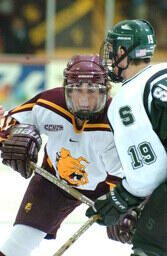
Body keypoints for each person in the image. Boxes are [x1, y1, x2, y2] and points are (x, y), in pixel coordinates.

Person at [0, 54, 135, 256]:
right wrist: (7, 138)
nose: (83, 99)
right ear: (66, 89)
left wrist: (126, 202)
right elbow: (8, 123)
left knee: (145, 234)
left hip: (107, 187)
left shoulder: (117, 119)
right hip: (53, 180)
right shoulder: (49, 103)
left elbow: (135, 169)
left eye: (91, 91)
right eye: (77, 90)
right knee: (17, 244)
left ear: (105, 91)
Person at [86, 19, 167, 256]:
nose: (110, 57)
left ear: (123, 51)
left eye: (112, 51)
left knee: (149, 246)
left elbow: (148, 172)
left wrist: (124, 196)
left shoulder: (127, 99)